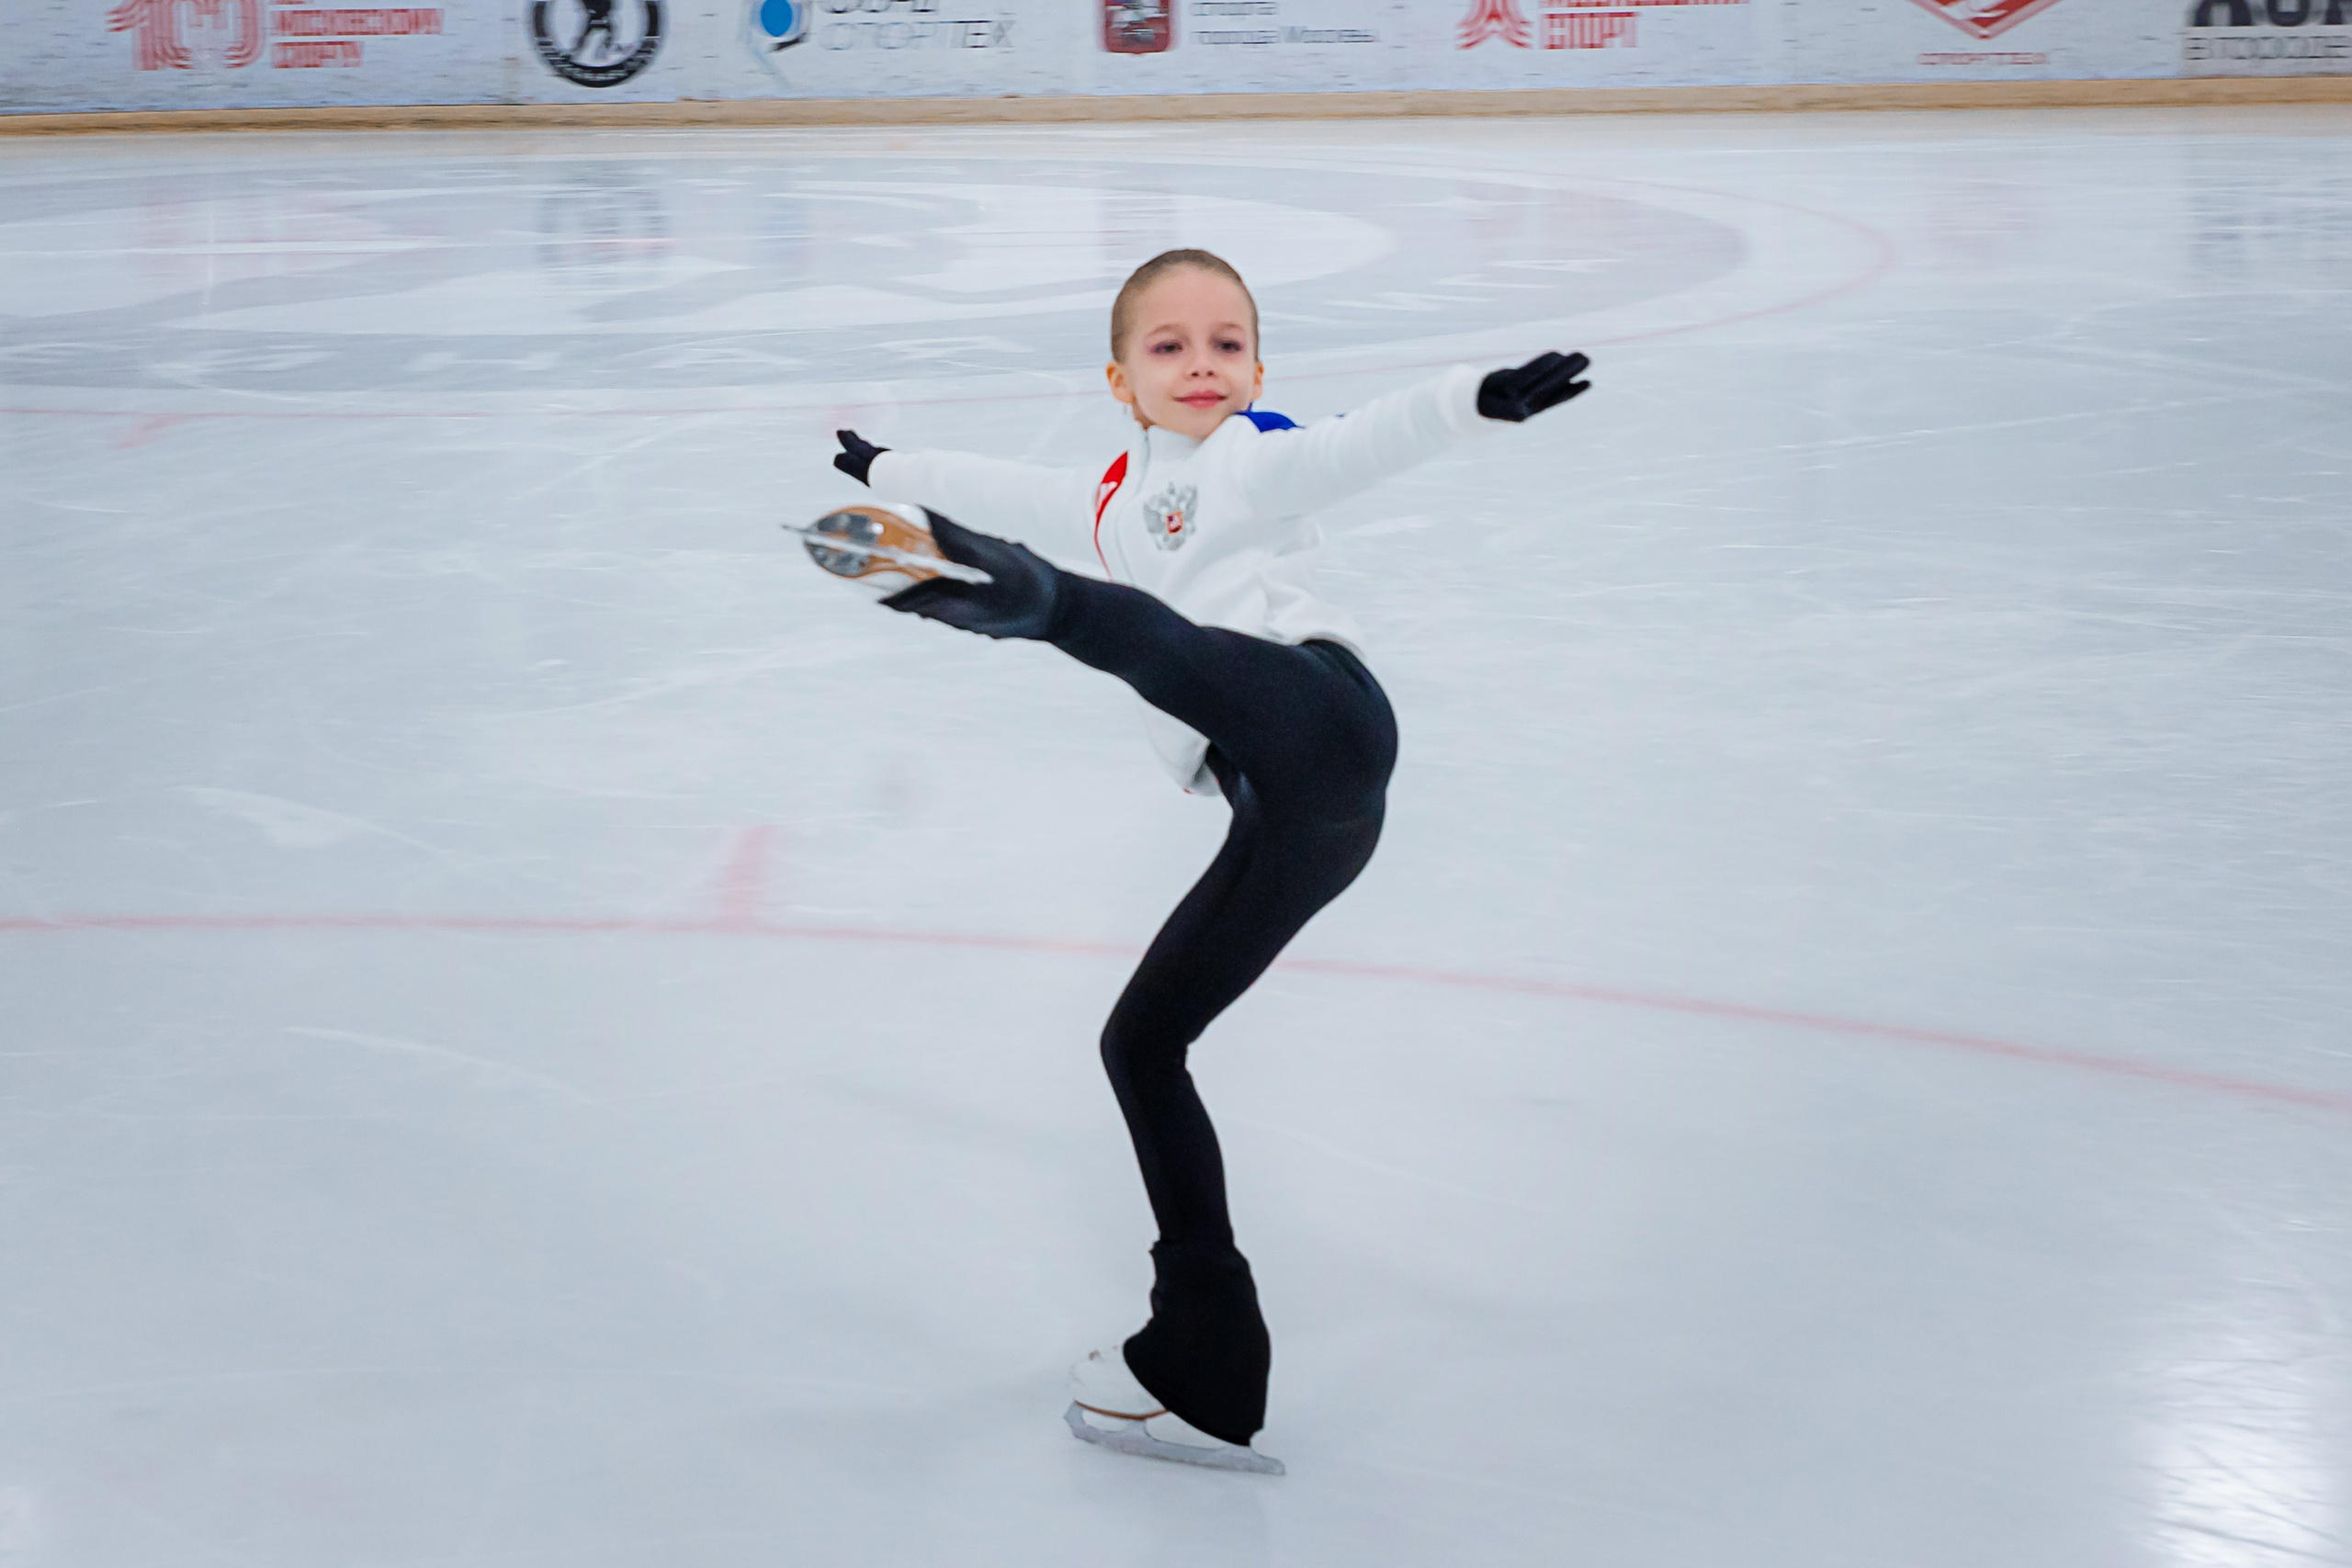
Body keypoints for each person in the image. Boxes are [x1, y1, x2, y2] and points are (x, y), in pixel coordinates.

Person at [825, 248, 1591, 1471]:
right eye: (1171, 347)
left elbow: (1358, 443)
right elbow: (1003, 480)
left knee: (1149, 637)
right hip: (1294, 818)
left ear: (1257, 370)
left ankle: (1039, 608)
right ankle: (1205, 1356)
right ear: (1121, 380)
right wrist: (890, 471)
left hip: (1322, 716)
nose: (1202, 366)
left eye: (1226, 344)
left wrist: (1472, 401)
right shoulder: (1108, 490)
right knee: (1139, 1044)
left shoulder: (1253, 461)